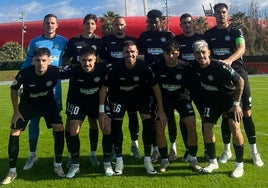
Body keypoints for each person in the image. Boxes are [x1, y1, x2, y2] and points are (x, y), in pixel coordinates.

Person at [205, 3, 264, 167]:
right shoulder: (209, 34)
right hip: (220, 78)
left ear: (227, 13)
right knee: (226, 113)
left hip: (238, 73)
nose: (221, 15)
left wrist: (229, 61)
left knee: (246, 113)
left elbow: (242, 47)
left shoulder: (236, 30)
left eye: (224, 12)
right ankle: (226, 150)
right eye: (218, 12)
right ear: (214, 15)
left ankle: (254, 153)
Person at [98, 40, 167, 176]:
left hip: (140, 96)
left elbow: (156, 87)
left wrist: (160, 108)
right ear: (122, 53)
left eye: (132, 51)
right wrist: (101, 111)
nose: (130, 54)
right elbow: (104, 88)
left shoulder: (144, 67)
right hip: (119, 96)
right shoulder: (114, 67)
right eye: (127, 52)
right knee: (116, 125)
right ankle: (119, 160)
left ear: (137, 53)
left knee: (148, 123)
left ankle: (147, 160)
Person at [1, 48, 66, 185]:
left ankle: (58, 164)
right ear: (33, 61)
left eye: (44, 60)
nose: (40, 63)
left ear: (49, 61)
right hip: (28, 104)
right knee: (14, 130)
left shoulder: (54, 71)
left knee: (59, 127)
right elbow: (13, 90)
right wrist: (16, 111)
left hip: (47, 103)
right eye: (38, 60)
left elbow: (74, 72)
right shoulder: (25, 73)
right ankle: (12, 171)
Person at [191, 40, 245, 178]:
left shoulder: (221, 66)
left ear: (209, 52)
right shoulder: (194, 67)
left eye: (203, 52)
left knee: (235, 127)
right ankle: (213, 162)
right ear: (194, 55)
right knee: (207, 127)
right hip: (212, 101)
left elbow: (240, 82)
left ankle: (239, 165)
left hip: (230, 100)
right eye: (197, 53)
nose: (201, 56)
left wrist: (237, 104)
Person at [21, 14, 67, 170]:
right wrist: (21, 82)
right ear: (43, 24)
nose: (50, 25)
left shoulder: (63, 42)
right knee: (34, 121)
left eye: (53, 23)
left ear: (57, 25)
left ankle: (57, 157)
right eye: (47, 23)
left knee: (57, 123)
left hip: (55, 90)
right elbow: (27, 63)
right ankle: (32, 154)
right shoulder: (35, 42)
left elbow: (71, 60)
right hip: (35, 89)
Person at [151, 39, 202, 172]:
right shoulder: (156, 67)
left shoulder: (186, 67)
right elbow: (155, 88)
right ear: (164, 54)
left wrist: (187, 98)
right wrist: (160, 109)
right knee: (159, 125)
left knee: (191, 123)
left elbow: (193, 86)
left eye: (174, 53)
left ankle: (193, 159)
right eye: (168, 53)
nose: (171, 56)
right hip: (163, 100)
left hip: (181, 99)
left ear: (178, 53)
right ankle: (164, 160)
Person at [63, 13, 103, 167]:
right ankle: (71, 155)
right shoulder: (74, 41)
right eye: (88, 23)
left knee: (94, 122)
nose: (90, 26)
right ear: (83, 24)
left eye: (93, 23)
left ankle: (93, 154)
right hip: (76, 89)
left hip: (94, 88)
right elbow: (65, 59)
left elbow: (103, 61)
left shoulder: (100, 42)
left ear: (95, 25)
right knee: (71, 122)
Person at [64, 46, 109, 178]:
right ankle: (75, 164)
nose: (87, 63)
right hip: (79, 102)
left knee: (106, 127)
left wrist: (102, 110)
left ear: (96, 59)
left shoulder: (103, 69)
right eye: (84, 60)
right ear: (79, 60)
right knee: (73, 129)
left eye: (90, 60)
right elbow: (53, 72)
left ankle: (100, 159)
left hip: (96, 102)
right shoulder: (74, 69)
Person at [100, 16, 141, 159]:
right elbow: (103, 59)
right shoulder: (106, 41)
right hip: (115, 86)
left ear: (126, 26)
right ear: (113, 26)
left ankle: (134, 144)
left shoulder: (132, 41)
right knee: (116, 118)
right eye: (116, 25)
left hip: (133, 86)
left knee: (133, 115)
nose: (119, 27)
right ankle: (114, 147)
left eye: (122, 25)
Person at [138, 9, 174, 163]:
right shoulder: (144, 36)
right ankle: (155, 150)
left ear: (161, 21)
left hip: (167, 81)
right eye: (151, 21)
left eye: (156, 21)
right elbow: (136, 53)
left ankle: (173, 147)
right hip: (149, 82)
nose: (153, 24)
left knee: (170, 117)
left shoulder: (169, 36)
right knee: (152, 118)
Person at [174, 13, 206, 162]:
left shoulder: (201, 39)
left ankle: (207, 148)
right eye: (184, 23)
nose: (187, 25)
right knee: (184, 119)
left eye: (189, 22)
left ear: (193, 23)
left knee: (205, 117)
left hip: (200, 85)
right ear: (180, 25)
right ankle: (188, 149)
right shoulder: (177, 41)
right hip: (183, 86)